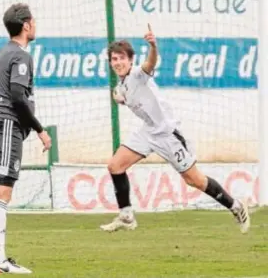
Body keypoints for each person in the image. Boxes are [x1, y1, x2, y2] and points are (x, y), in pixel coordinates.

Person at [100, 24, 250, 233]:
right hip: (148, 132)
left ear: (130, 60)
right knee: (115, 166)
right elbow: (127, 97)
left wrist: (153, 46)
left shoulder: (137, 74)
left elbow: (149, 64)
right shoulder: (122, 85)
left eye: (121, 58)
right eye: (114, 59)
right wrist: (120, 99)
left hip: (167, 134)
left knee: (194, 180)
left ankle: (235, 206)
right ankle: (126, 216)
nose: (118, 62)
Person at [0, 3, 51, 274]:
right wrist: (40, 130)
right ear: (26, 25)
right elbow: (19, 97)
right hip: (5, 126)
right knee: (1, 193)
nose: (35, 24)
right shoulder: (21, 55)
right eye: (33, 20)